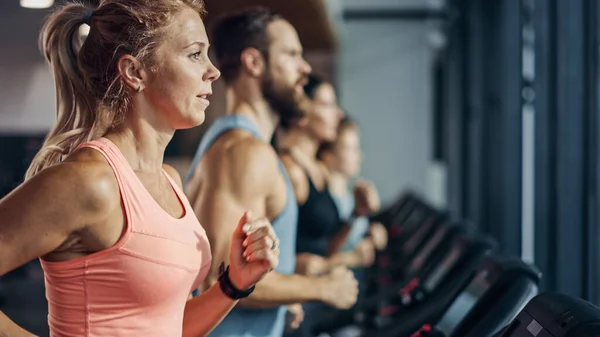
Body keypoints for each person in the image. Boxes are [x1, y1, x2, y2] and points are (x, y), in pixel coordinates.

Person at [0, 1, 280, 336]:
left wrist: (233, 284)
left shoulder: (168, 180)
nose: (213, 70)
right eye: (194, 54)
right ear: (135, 72)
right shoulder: (90, 180)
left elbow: (166, 326)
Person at [184, 7, 359, 337]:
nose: (305, 68)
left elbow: (245, 274)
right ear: (254, 62)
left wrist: (285, 293)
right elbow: (223, 277)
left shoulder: (239, 144)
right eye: (292, 55)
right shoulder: (244, 152)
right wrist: (320, 289)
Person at [278, 75, 381, 337]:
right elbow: (281, 253)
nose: (337, 114)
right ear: (303, 109)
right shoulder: (291, 171)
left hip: (316, 293)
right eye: (327, 105)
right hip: (295, 302)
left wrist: (356, 214)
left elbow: (326, 245)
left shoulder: (317, 171)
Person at [317, 117, 388, 255]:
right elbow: (329, 249)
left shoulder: (349, 196)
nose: (359, 155)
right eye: (351, 149)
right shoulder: (324, 203)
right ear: (327, 155)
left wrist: (371, 234)